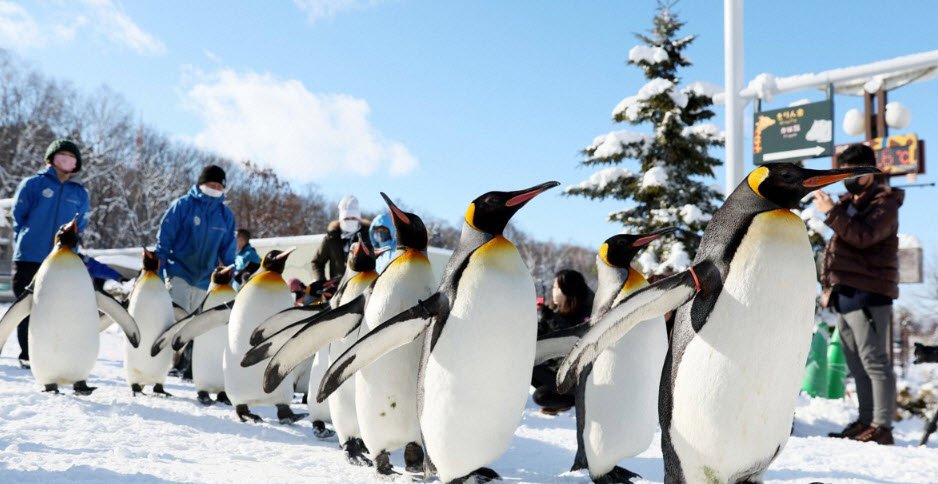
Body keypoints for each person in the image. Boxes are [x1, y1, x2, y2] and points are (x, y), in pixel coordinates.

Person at [814, 143, 903, 445]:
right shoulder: (850, 202)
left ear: (869, 171)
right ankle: (867, 420)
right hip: (847, 294)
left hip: (870, 293)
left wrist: (831, 212)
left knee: (874, 360)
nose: (846, 178)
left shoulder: (884, 202)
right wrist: (828, 287)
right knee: (856, 363)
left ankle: (882, 425)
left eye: (852, 172)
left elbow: (863, 237)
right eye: (843, 172)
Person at [11, 139, 90, 369]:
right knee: (27, 306)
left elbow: (81, 224)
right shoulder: (33, 184)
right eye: (61, 155)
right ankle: (27, 353)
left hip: (62, 261)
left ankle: (51, 354)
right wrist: (27, 239)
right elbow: (19, 215)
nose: (66, 159)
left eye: (71, 156)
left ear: (76, 163)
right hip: (31, 255)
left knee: (56, 308)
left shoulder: (80, 193)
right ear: (51, 158)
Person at [155, 165, 237, 378]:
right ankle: (165, 363)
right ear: (201, 184)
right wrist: (158, 267)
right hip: (179, 271)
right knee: (175, 319)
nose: (215, 188)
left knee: (195, 324)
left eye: (219, 185)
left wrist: (229, 275)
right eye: (211, 184)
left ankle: (186, 365)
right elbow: (165, 238)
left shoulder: (225, 215)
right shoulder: (183, 206)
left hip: (205, 279)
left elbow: (228, 249)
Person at [531, 269, 594, 415]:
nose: (553, 291)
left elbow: (574, 339)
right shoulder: (557, 312)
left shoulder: (587, 313)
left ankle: (575, 399)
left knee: (540, 394)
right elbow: (539, 340)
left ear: (567, 289)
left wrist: (549, 317)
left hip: (579, 379)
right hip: (559, 373)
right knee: (526, 363)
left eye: (555, 287)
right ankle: (563, 401)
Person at [309, 195, 370, 294]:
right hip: (337, 289)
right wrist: (320, 280)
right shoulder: (331, 238)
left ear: (358, 218)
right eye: (347, 218)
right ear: (341, 218)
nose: (350, 220)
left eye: (353, 218)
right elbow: (317, 262)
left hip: (363, 287)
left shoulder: (368, 236)